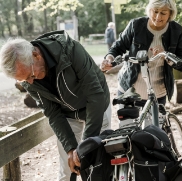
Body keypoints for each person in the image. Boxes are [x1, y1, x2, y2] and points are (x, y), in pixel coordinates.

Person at [0, 30, 111, 181]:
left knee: (99, 162)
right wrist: (71, 148)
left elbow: (95, 95)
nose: (31, 83)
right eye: (25, 80)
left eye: (31, 75)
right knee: (68, 166)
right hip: (68, 114)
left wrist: (86, 144)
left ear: (36, 55)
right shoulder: (29, 79)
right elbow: (52, 113)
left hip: (97, 106)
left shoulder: (70, 50)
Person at [100, 0, 182, 127]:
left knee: (151, 135)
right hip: (129, 90)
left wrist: (166, 54)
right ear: (149, 10)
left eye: (163, 13)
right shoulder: (136, 25)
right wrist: (109, 59)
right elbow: (117, 47)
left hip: (158, 93)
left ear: (170, 14)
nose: (158, 17)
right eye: (155, 11)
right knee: (127, 132)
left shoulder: (176, 30)